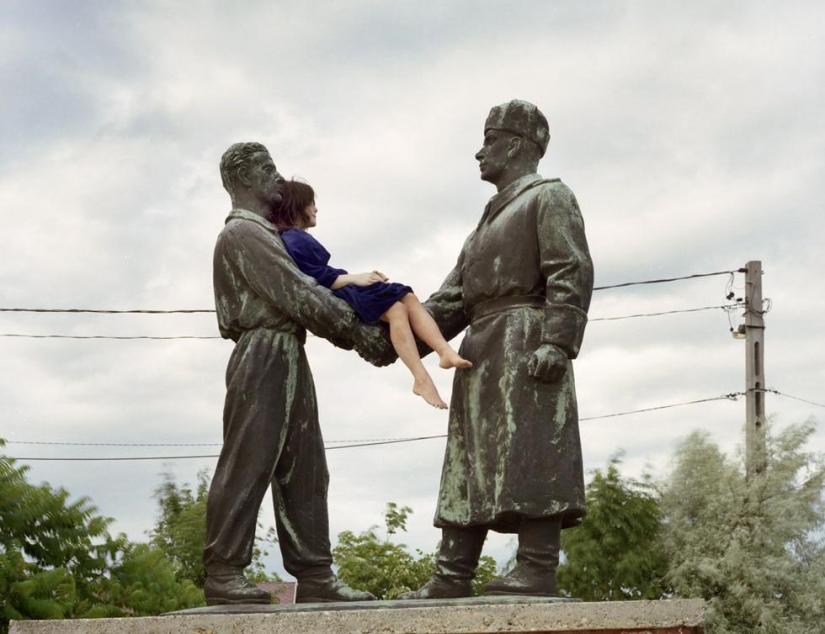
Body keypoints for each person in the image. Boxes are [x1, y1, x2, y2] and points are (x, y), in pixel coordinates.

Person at [400, 100, 594, 599]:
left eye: (488, 140)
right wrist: (385, 333)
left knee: (533, 453)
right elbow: (450, 301)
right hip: (481, 351)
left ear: (516, 144)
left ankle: (536, 568)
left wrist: (558, 340)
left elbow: (569, 270)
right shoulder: (483, 226)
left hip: (527, 342)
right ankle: (453, 573)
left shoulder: (549, 197)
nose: (479, 152)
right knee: (469, 460)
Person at [202, 142, 393, 606]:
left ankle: (315, 575)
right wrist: (360, 335)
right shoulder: (244, 235)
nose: (278, 177)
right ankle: (224, 572)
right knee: (248, 462)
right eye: (268, 168)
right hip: (262, 351)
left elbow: (306, 293)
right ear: (243, 177)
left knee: (306, 468)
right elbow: (298, 293)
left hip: (288, 350)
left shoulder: (266, 234)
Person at [270, 179, 472, 410]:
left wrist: (363, 277)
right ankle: (421, 378)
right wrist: (356, 278)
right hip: (340, 290)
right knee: (397, 308)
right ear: (298, 205)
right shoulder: (292, 238)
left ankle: (445, 352)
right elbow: (314, 276)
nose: (316, 209)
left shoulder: (295, 237)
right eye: (311, 203)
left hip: (344, 284)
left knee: (408, 297)